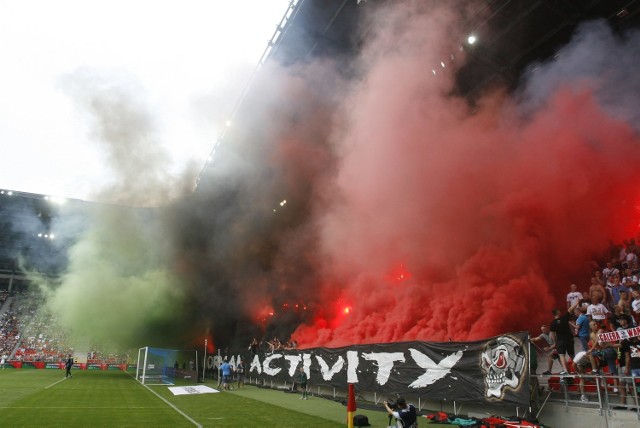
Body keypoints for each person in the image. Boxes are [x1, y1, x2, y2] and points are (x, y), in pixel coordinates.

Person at [550, 299, 580, 374]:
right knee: (572, 356)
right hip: (569, 339)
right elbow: (570, 309)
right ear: (558, 312)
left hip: (560, 341)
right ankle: (578, 370)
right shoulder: (564, 318)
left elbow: (552, 334)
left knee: (561, 355)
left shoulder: (552, 323)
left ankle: (565, 370)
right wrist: (576, 303)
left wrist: (555, 343)